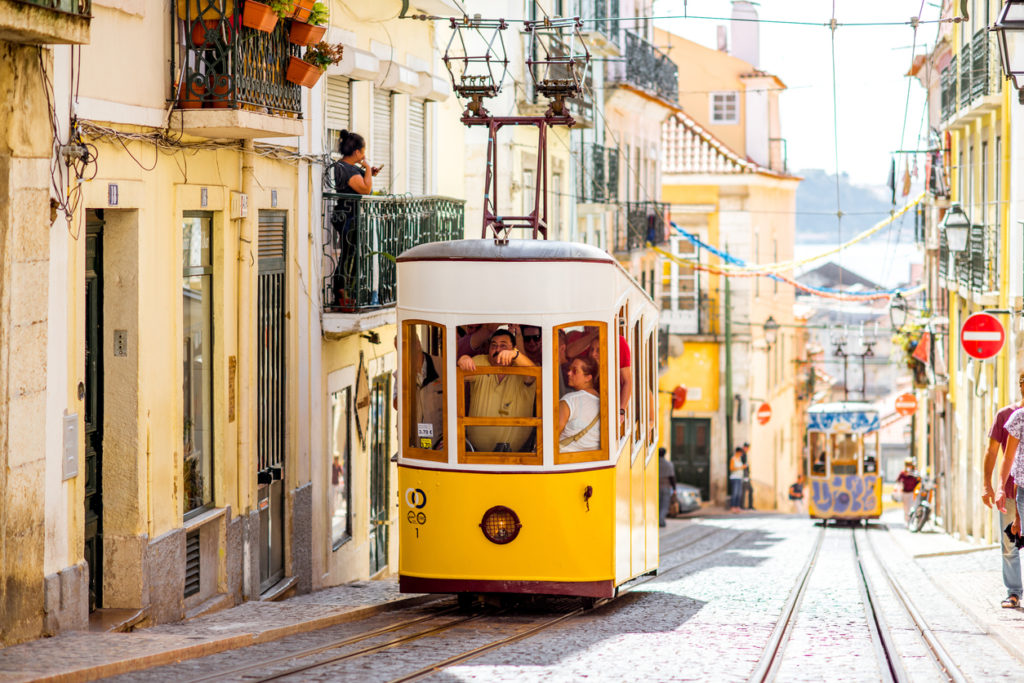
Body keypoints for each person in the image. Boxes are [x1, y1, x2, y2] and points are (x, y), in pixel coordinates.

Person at [457, 329, 536, 452]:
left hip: (517, 457)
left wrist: (516, 355)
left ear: (513, 348)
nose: (497, 349)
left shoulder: (522, 367)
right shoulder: (481, 361)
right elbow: (461, 374)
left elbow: (533, 373)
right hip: (475, 454)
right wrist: (464, 359)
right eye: (493, 345)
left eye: (503, 345)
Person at [988, 371, 1024, 607]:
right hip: (1020, 489)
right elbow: (1003, 455)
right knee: (1011, 542)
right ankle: (1013, 591)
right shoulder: (1015, 417)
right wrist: (998, 487)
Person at [557, 356, 600, 453]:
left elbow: (550, 438)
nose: (569, 373)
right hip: (593, 462)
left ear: (588, 378)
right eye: (570, 370)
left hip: (563, 461)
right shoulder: (604, 403)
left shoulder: (570, 400)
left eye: (574, 371)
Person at [332, 130, 381, 195]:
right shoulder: (347, 169)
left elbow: (357, 178)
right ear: (357, 152)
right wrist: (368, 167)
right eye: (363, 152)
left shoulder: (343, 165)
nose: (364, 156)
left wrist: (369, 173)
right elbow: (366, 190)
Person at [896, 459, 921, 524]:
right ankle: (907, 522)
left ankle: (911, 521)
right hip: (905, 493)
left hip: (912, 493)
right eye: (907, 464)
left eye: (910, 464)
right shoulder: (902, 473)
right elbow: (898, 480)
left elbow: (918, 481)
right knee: (906, 508)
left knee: (912, 507)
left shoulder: (915, 472)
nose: (908, 466)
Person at [658, 447, 676, 527]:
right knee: (664, 505)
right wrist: (674, 488)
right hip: (665, 486)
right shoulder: (669, 464)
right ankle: (661, 520)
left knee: (658, 505)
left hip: (656, 486)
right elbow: (672, 478)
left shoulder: (654, 464)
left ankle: (659, 519)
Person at [729, 447, 745, 513]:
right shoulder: (733, 459)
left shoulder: (739, 459)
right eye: (741, 452)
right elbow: (731, 468)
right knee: (735, 493)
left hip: (739, 477)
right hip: (734, 478)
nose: (741, 454)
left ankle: (737, 507)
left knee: (739, 493)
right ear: (738, 452)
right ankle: (733, 507)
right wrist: (741, 467)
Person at [741, 442, 754, 510]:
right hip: (744, 474)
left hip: (746, 474)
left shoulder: (744, 454)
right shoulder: (742, 454)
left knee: (748, 489)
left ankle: (748, 505)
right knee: (745, 489)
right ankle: (745, 506)